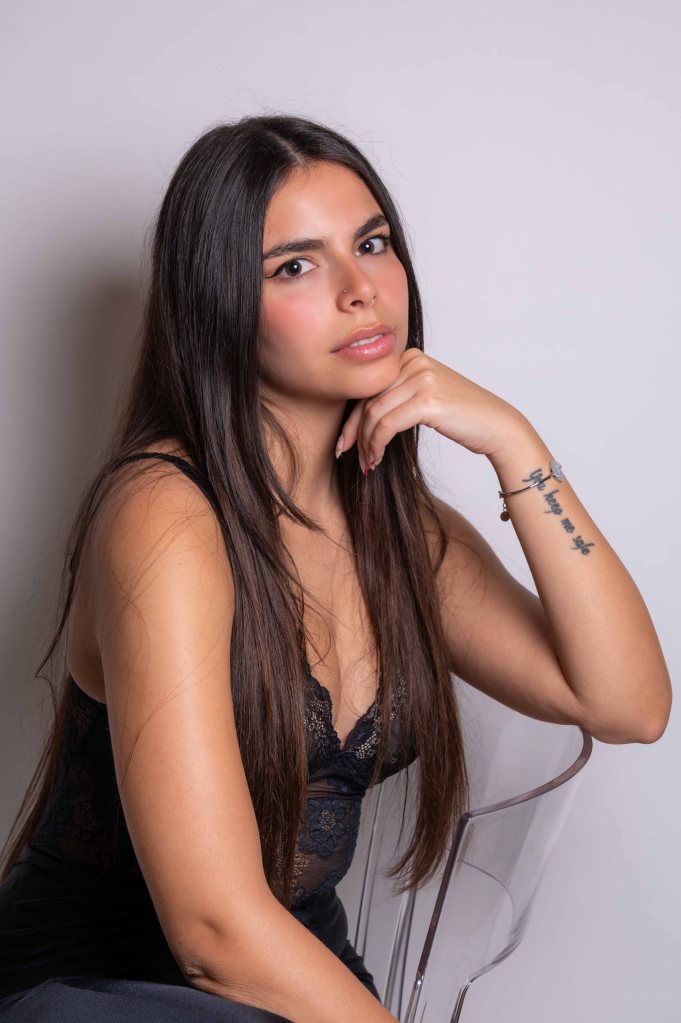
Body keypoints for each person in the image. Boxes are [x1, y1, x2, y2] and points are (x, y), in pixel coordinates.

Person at [0, 113, 671, 1022]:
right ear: (218, 304)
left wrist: (514, 443)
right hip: (103, 991)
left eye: (372, 243)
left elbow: (628, 703)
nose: (362, 290)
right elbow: (210, 931)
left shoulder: (400, 533)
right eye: (295, 266)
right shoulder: (164, 514)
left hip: (293, 972)